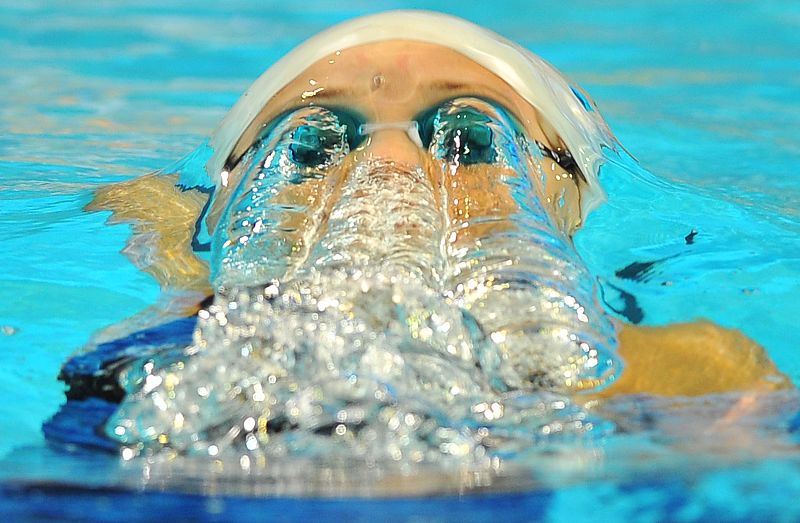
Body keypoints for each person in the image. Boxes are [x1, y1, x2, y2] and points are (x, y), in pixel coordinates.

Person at [83, 11, 788, 408]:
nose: (387, 168)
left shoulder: (693, 374)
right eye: (308, 151)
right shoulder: (165, 352)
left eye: (472, 140)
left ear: (572, 208)